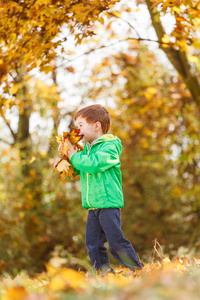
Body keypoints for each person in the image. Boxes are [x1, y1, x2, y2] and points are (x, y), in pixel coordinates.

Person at [64, 104, 144, 274]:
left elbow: (93, 165)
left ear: (96, 125)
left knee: (115, 242)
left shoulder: (110, 147)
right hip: (93, 206)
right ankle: (104, 274)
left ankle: (137, 270)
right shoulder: (86, 150)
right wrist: (66, 160)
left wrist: (74, 156)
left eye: (80, 125)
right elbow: (80, 169)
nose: (77, 131)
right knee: (93, 243)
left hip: (108, 203)